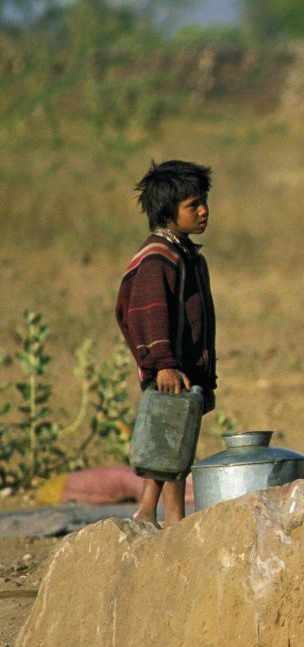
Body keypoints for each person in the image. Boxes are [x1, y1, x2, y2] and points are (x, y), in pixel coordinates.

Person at [116, 160, 217, 526]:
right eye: (193, 205)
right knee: (168, 439)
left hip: (183, 367)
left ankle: (169, 515)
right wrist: (163, 363)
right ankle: (151, 512)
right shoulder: (158, 258)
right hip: (169, 367)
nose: (204, 210)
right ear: (168, 212)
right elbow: (147, 312)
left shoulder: (186, 254)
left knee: (175, 440)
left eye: (204, 201)